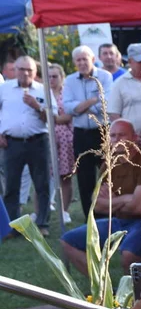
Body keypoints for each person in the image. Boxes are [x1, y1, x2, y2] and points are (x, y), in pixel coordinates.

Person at [60, 119, 141, 273]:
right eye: (113, 135)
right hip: (118, 221)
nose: (117, 140)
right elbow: (97, 205)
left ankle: (136, 292)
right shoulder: (107, 165)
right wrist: (125, 199)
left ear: (134, 137)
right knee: (68, 241)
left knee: (129, 252)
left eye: (122, 135)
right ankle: (102, 290)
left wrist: (112, 201)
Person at [1, 57, 56, 234]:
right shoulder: (5, 88)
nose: (25, 73)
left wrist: (37, 106)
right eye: (22, 69)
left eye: (29, 70)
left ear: (35, 71)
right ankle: (13, 226)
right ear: (15, 70)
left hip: (38, 141)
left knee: (42, 184)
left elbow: (52, 118)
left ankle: (42, 224)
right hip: (12, 143)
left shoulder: (43, 89)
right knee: (11, 186)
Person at [63, 46, 114, 218]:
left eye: (85, 59)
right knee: (84, 179)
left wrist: (81, 106)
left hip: (102, 132)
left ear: (93, 59)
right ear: (74, 62)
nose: (82, 63)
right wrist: (92, 101)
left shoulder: (105, 77)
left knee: (107, 176)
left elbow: (106, 104)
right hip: (81, 134)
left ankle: (109, 216)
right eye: (78, 60)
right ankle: (90, 217)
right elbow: (68, 108)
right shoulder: (70, 81)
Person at [47, 64, 75, 224]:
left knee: (65, 176)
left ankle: (64, 210)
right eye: (49, 76)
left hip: (65, 139)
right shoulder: (43, 92)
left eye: (55, 76)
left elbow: (69, 115)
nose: (51, 79)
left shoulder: (66, 93)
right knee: (44, 176)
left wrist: (54, 118)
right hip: (47, 137)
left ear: (61, 77)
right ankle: (41, 210)